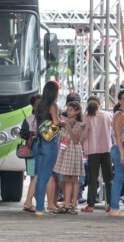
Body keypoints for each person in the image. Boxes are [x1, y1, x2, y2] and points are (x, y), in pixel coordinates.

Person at [33, 81, 61, 216]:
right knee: (46, 175)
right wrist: (65, 122)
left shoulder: (39, 104)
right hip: (50, 142)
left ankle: (39, 206)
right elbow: (55, 122)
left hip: (39, 142)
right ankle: (40, 208)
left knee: (40, 176)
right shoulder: (52, 105)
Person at [53, 101, 85, 215]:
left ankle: (73, 205)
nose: (68, 111)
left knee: (74, 179)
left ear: (77, 111)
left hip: (74, 151)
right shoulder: (63, 121)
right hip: (65, 150)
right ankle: (67, 204)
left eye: (71, 109)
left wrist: (68, 127)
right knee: (66, 178)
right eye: (68, 109)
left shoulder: (80, 124)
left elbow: (76, 140)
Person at [82, 96, 113, 213]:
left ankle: (90, 205)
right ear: (100, 104)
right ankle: (110, 204)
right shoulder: (108, 115)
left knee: (92, 178)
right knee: (109, 178)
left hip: (93, 150)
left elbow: (84, 134)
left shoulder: (87, 117)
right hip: (106, 149)